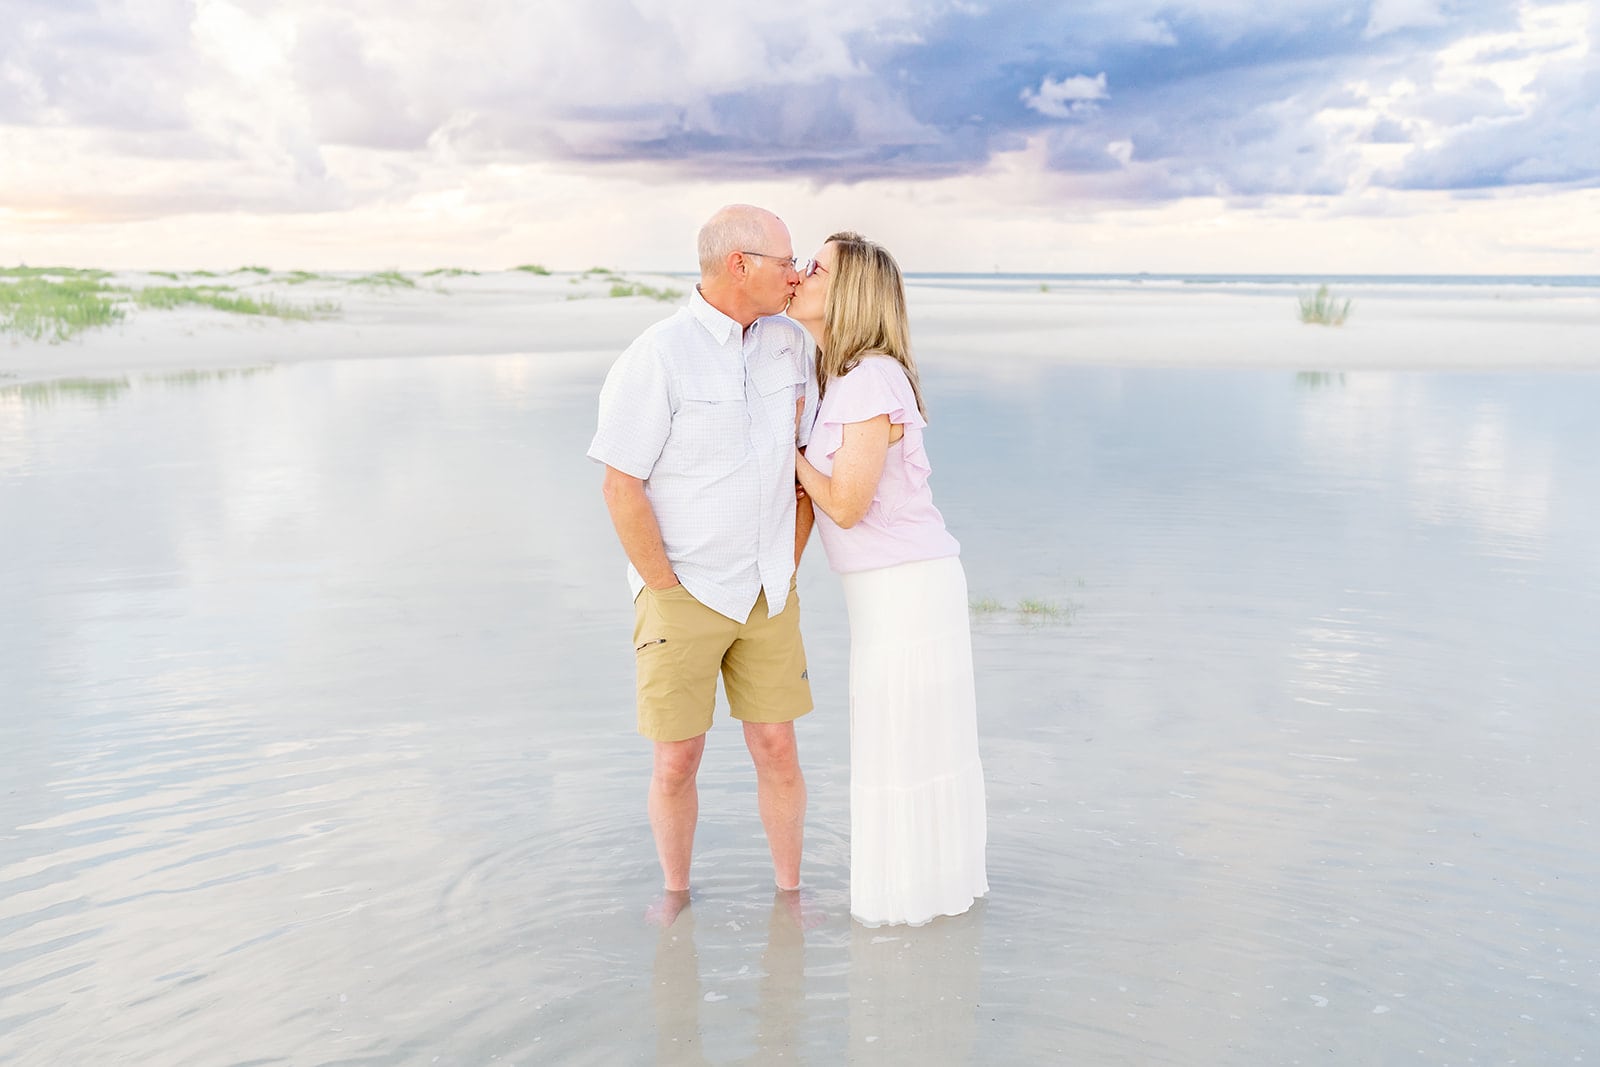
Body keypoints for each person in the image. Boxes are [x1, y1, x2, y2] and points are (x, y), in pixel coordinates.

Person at [587, 204, 819, 914]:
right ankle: (677, 895)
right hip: (682, 592)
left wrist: (789, 558)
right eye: (786, 260)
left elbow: (807, 462)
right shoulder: (657, 354)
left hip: (769, 592)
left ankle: (790, 896)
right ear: (738, 264)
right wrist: (664, 586)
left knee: (778, 748)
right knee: (676, 758)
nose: (798, 271)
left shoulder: (794, 346)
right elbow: (620, 483)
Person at [787, 231, 988, 926]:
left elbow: (844, 502)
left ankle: (909, 907)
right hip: (887, 589)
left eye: (815, 268)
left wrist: (789, 453)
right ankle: (925, 903)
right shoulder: (838, 376)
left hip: (908, 587)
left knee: (903, 738)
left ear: (849, 293)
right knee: (900, 736)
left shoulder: (870, 376)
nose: (800, 274)